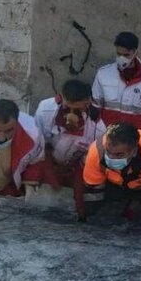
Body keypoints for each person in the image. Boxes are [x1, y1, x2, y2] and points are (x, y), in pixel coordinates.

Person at [34, 79, 107, 218]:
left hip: (76, 165)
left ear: (87, 103)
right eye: (68, 108)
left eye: (78, 109)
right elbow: (37, 141)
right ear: (61, 99)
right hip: (48, 158)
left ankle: (83, 214)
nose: (71, 113)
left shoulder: (98, 127)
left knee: (85, 190)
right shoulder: (45, 110)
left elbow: (91, 157)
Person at [82, 123, 141, 221]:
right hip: (114, 184)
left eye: (119, 155)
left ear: (134, 151)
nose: (111, 158)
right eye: (108, 152)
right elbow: (93, 189)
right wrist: (92, 217)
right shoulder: (96, 151)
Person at [91, 32, 141, 135]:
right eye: (119, 54)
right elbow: (94, 111)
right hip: (108, 138)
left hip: (135, 140)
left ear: (136, 53)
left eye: (126, 55)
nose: (121, 58)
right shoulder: (103, 75)